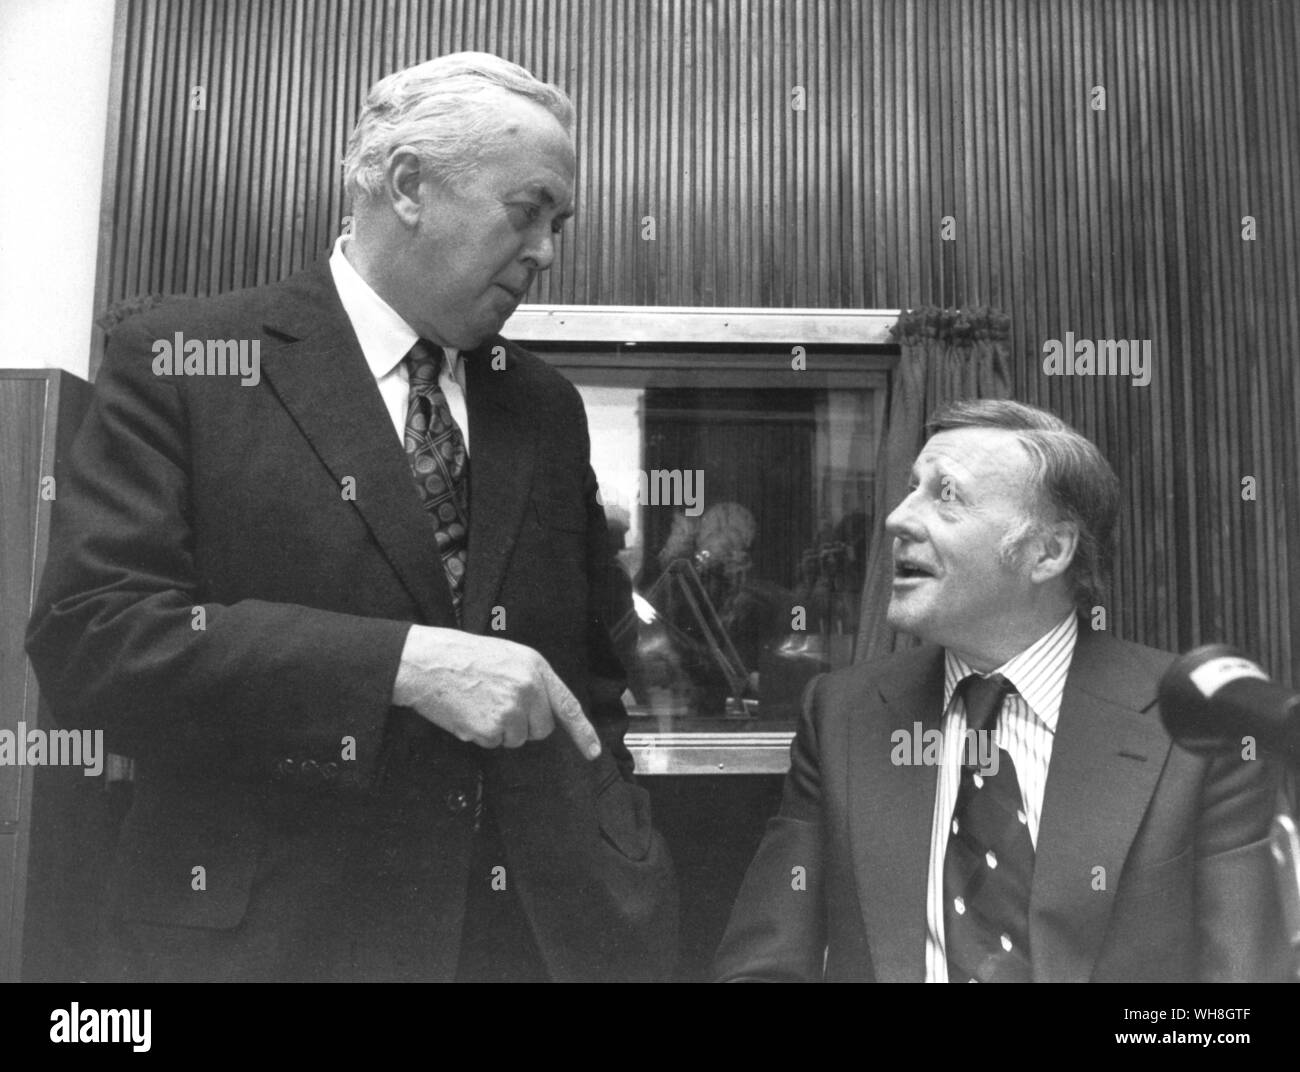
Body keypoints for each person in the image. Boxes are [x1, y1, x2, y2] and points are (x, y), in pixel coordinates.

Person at [26, 52, 676, 983]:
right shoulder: (186, 361)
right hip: (271, 949)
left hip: (526, 946)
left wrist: (627, 866)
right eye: (527, 211)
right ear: (409, 185)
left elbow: (593, 679)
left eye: (558, 223)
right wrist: (401, 665)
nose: (546, 252)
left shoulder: (542, 407)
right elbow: (94, 643)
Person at [715, 398, 1288, 982]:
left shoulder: (1198, 728)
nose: (896, 518)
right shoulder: (841, 715)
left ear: (1047, 551)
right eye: (911, 488)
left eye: (945, 495)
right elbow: (762, 968)